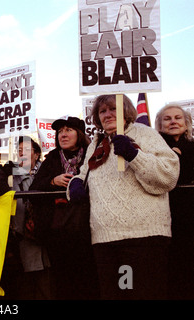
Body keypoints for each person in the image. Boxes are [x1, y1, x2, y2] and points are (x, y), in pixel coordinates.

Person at [68, 94, 180, 300]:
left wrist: (134, 155)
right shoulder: (97, 144)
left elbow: (168, 176)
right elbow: (84, 173)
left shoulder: (145, 134)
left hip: (142, 238)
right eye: (102, 111)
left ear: (126, 111)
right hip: (104, 239)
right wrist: (75, 183)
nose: (108, 114)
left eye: (113, 109)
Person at [29, 117, 99, 300]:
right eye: (60, 132)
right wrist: (53, 181)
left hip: (89, 229)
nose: (63, 135)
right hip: (59, 232)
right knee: (63, 280)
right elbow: (33, 189)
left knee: (89, 278)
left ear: (80, 134)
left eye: (68, 130)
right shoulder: (52, 158)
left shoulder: (93, 156)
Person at [4, 136, 53, 300]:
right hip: (23, 237)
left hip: (47, 234)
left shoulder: (47, 172)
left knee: (46, 284)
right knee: (27, 284)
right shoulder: (12, 175)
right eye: (18, 150)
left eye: (25, 150)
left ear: (36, 154)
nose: (21, 153)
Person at [155, 103, 194, 299]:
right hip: (164, 218)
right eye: (167, 119)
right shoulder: (154, 150)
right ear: (159, 125)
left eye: (178, 118)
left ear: (186, 124)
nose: (173, 122)